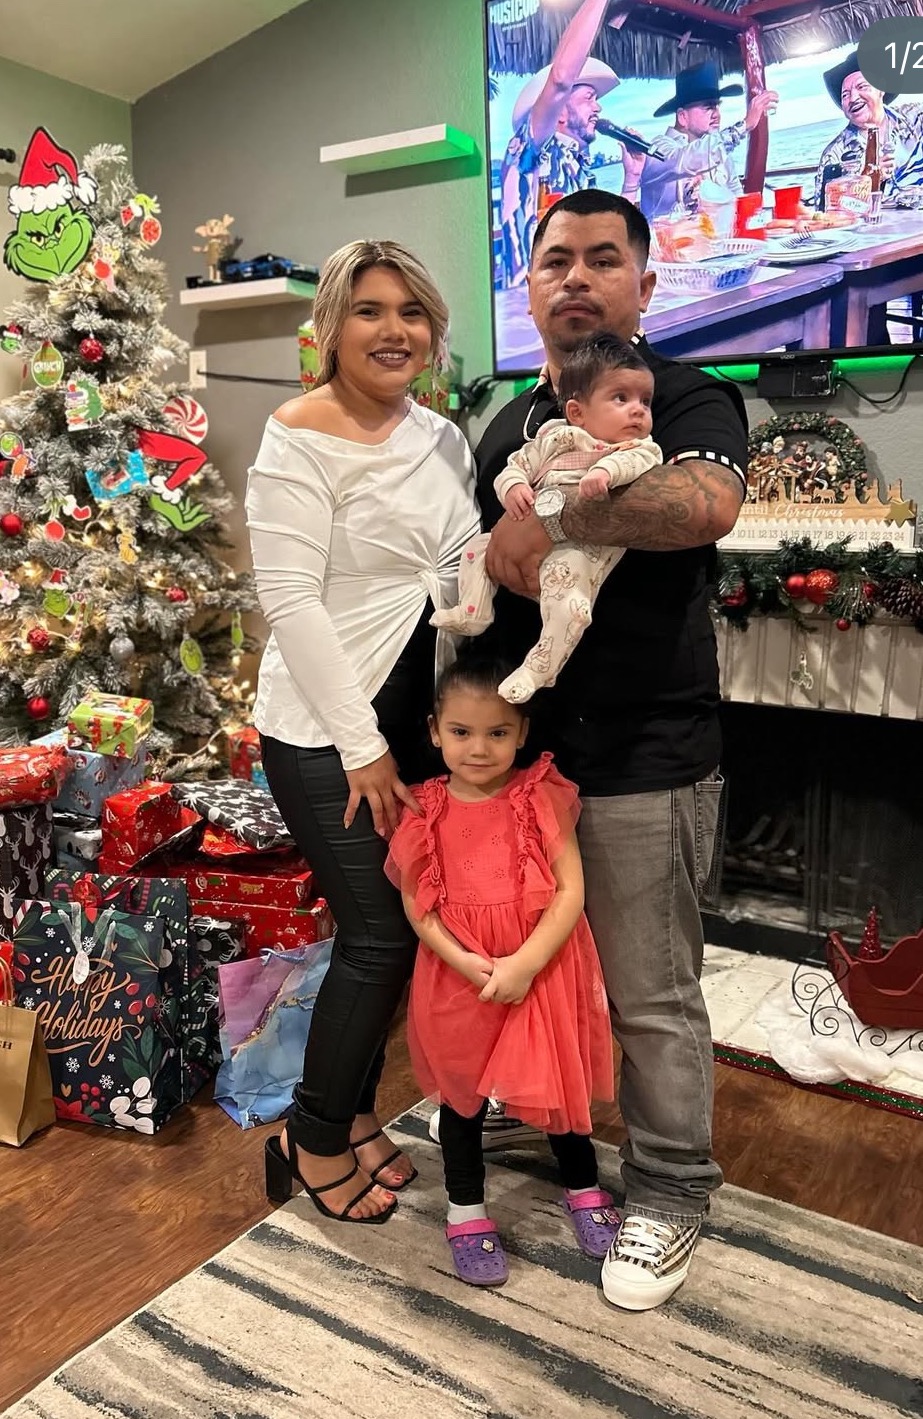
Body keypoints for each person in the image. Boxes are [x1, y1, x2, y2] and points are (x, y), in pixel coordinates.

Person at [472, 187, 748, 1311]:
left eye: (601, 258)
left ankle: (672, 1187)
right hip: (526, 758)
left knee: (648, 990)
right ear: (530, 285)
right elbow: (489, 566)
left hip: (646, 751)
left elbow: (700, 507)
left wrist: (547, 517)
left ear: (644, 282)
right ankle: (544, 1117)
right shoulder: (507, 420)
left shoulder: (684, 394)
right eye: (555, 261)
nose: (576, 277)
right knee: (532, 963)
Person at [248, 240, 480, 1224]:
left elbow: (462, 563)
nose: (394, 331)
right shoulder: (295, 436)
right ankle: (306, 1140)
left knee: (404, 940)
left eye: (411, 312)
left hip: (414, 724)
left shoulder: (443, 438)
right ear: (331, 328)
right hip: (324, 732)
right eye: (369, 311)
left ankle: (347, 1114)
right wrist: (362, 745)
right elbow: (291, 603)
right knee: (378, 935)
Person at [386, 657, 618, 1287]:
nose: (479, 748)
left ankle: (583, 1188)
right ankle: (465, 1211)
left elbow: (569, 890)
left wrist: (524, 964)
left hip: (540, 969)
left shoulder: (539, 794)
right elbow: (416, 904)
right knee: (461, 1098)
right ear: (434, 731)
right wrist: (465, 962)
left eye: (497, 733)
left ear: (521, 733)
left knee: (557, 1085)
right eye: (461, 732)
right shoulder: (423, 808)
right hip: (457, 976)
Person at [433, 334, 661, 704]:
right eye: (621, 398)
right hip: (522, 543)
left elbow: (634, 465)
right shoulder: (553, 438)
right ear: (577, 412)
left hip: (579, 551)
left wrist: (605, 473)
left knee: (569, 605)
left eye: (645, 401)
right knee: (475, 550)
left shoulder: (636, 448)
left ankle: (540, 667)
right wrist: (513, 487)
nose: (638, 410)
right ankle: (474, 610)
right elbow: (514, 467)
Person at [508, 0, 645, 207]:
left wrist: (631, 182)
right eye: (589, 98)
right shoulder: (532, 151)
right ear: (560, 110)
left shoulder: (580, 169)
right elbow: (560, 78)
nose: (598, 107)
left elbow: (602, 229)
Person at [639, 62, 778, 221]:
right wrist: (744, 126)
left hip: (718, 236)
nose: (717, 114)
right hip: (666, 237)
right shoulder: (659, 148)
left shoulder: (719, 151)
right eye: (708, 107)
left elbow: (737, 199)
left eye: (717, 106)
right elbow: (685, 161)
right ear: (682, 117)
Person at [815, 52, 923, 210]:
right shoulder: (834, 155)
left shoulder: (917, 118)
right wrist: (867, 182)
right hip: (878, 225)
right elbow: (824, 213)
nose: (853, 98)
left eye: (862, 87)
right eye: (845, 95)